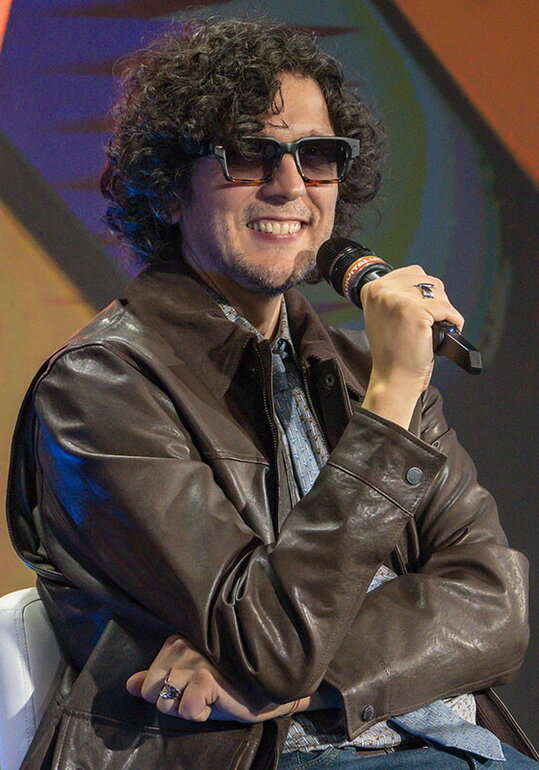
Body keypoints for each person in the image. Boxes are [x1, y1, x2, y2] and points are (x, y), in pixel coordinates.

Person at [7, 18, 537, 770]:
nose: (290, 185)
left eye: (316, 155)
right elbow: (266, 643)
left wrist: (296, 685)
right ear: (169, 190)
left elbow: (494, 606)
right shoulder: (101, 388)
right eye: (249, 154)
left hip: (452, 744)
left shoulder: (360, 370)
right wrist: (392, 399)